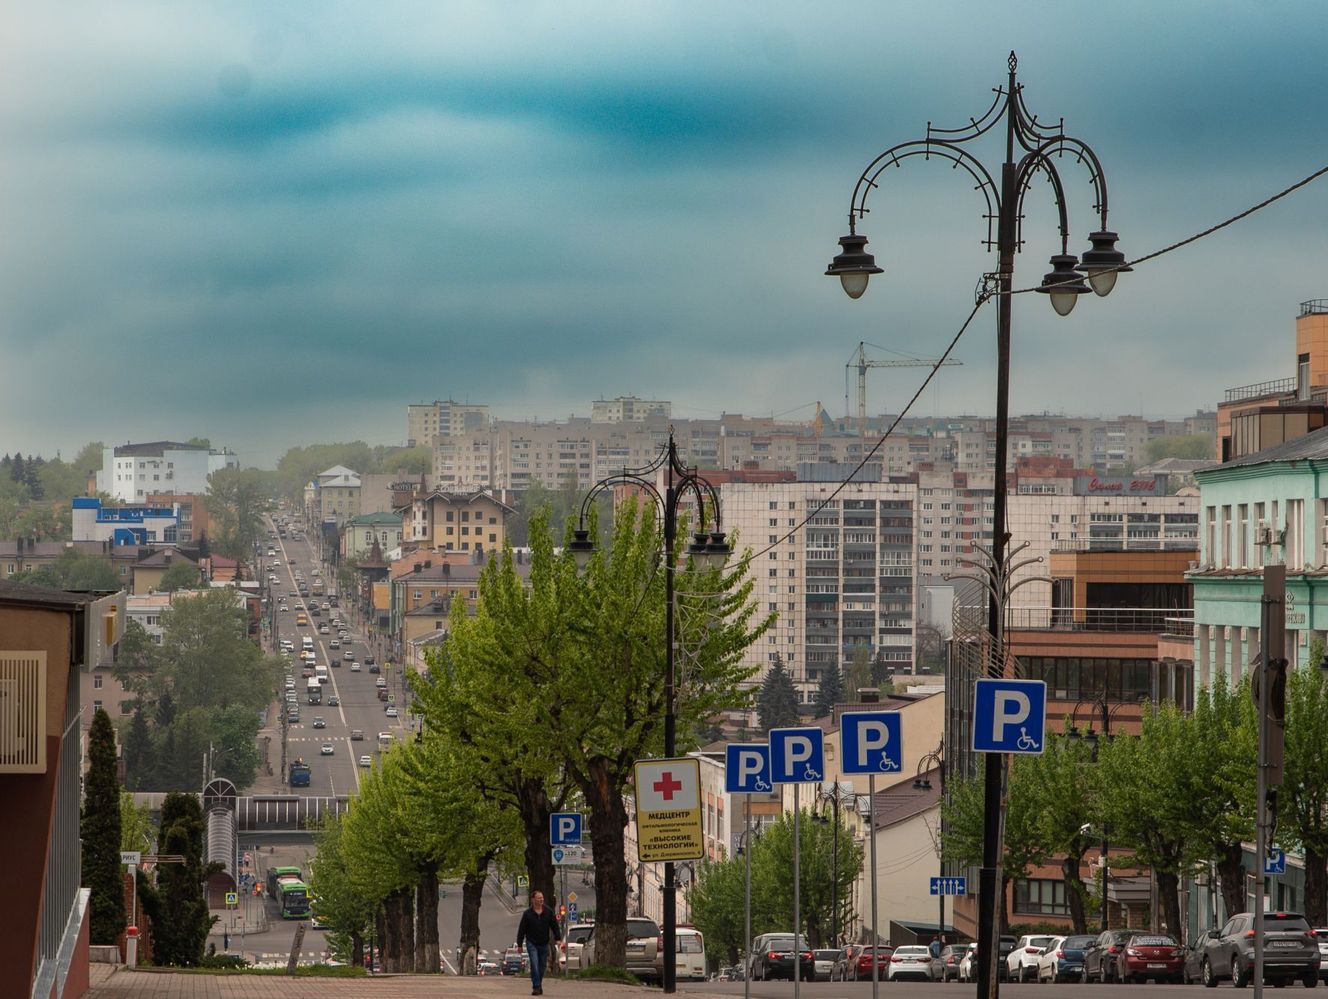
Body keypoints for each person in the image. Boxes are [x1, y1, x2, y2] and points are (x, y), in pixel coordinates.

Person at [516, 890, 561, 995]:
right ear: (533, 900)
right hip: (532, 942)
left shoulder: (548, 912)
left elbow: (554, 925)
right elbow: (522, 929)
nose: (541, 900)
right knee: (534, 964)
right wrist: (519, 944)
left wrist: (558, 938)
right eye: (539, 898)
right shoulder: (528, 914)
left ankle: (539, 985)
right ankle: (536, 987)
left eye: (542, 898)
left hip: (544, 943)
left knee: (541, 966)